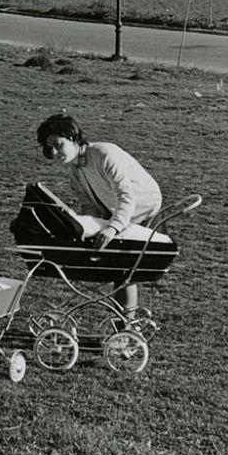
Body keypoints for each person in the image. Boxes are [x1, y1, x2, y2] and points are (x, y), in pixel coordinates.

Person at [35, 113, 162, 321]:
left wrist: (112, 228)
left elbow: (127, 197)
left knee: (124, 268)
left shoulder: (104, 154)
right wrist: (90, 228)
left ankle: (126, 324)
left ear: (73, 137)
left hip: (144, 207)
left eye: (58, 144)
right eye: (50, 149)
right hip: (117, 211)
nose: (55, 152)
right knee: (115, 267)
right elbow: (90, 207)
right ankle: (123, 320)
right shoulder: (76, 173)